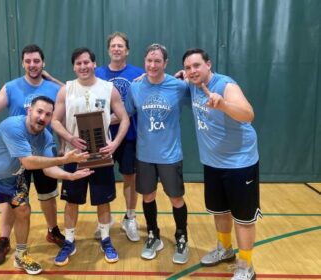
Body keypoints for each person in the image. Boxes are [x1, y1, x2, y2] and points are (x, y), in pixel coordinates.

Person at [0, 96, 93, 280]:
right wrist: (64, 160)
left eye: (48, 114)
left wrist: (69, 175)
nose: (42, 117)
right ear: (29, 111)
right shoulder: (12, 126)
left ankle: (21, 256)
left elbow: (47, 168)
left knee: (23, 210)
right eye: (39, 112)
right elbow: (28, 162)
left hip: (11, 177)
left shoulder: (46, 136)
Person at [0, 44, 65, 265]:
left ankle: (53, 230)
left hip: (43, 151)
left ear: (43, 63)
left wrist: (52, 79)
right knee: (14, 203)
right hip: (17, 157)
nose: (32, 65)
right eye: (28, 61)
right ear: (23, 63)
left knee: (48, 196)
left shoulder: (53, 88)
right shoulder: (11, 87)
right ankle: (4, 239)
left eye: (36, 61)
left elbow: (73, 93)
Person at [182, 48, 261, 280]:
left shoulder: (226, 85)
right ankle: (225, 249)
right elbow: (177, 77)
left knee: (243, 218)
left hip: (240, 163)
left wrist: (224, 104)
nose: (192, 71)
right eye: (188, 67)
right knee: (220, 211)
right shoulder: (191, 84)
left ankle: (246, 265)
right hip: (213, 162)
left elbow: (248, 114)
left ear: (209, 64)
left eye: (197, 65)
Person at [51, 47, 130, 266]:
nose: (83, 66)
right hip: (74, 156)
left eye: (87, 62)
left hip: (100, 156)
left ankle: (105, 238)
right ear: (74, 67)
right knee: (71, 201)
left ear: (94, 64)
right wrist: (70, 138)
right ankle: (69, 241)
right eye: (78, 63)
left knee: (103, 201)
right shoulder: (65, 90)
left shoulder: (108, 88)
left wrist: (114, 144)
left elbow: (124, 119)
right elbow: (55, 120)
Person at [124, 44, 190, 264]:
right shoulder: (136, 87)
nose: (152, 65)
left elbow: (199, 101)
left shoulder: (179, 87)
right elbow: (125, 114)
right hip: (144, 154)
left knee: (176, 198)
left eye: (157, 61)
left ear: (165, 63)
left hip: (170, 155)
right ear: (145, 61)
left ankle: (182, 236)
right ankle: (153, 234)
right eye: (149, 61)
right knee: (148, 196)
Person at [95, 31, 145, 242]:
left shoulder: (138, 73)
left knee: (129, 177)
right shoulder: (96, 72)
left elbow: (140, 103)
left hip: (129, 134)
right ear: (108, 50)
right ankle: (103, 222)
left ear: (127, 50)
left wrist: (121, 117)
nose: (116, 49)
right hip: (102, 136)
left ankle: (130, 217)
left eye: (120, 46)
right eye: (113, 46)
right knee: (100, 178)